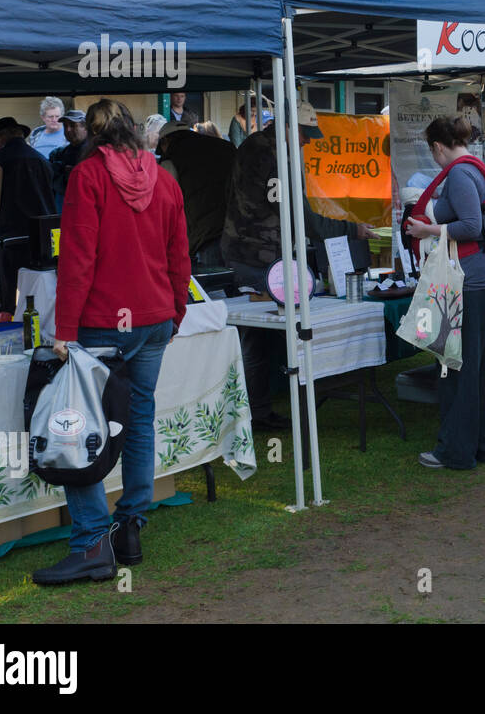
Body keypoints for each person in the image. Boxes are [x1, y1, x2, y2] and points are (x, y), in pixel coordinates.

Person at [35, 99, 189, 585]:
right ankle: (129, 528)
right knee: (139, 419)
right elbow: (179, 254)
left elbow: (77, 258)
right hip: (153, 317)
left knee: (76, 427)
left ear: (93, 136)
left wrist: (64, 329)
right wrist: (176, 310)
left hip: (105, 321)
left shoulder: (89, 177)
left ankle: (92, 544)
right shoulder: (164, 179)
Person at [404, 116, 485, 465]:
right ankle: (481, 445)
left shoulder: (460, 174)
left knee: (456, 366)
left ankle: (455, 451)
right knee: (476, 368)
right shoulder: (477, 167)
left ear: (437, 147)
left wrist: (427, 230)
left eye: (432, 151)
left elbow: (470, 225)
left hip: (470, 278)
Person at [222, 101, 326, 431]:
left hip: (252, 251)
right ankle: (256, 414)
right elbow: (297, 212)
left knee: (259, 341)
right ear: (288, 126)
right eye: (304, 134)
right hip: (254, 256)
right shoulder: (272, 154)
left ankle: (257, 411)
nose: (307, 142)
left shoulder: (259, 146)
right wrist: (348, 229)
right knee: (254, 340)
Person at [0, 116, 56, 313]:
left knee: (11, 302)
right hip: (43, 241)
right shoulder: (42, 160)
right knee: (40, 299)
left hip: (10, 239)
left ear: (2, 138)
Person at [158, 124, 236, 262]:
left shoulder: (171, 159)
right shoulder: (224, 146)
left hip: (205, 234)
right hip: (236, 226)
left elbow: (167, 205)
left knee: (212, 281)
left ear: (165, 141)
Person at [49, 109, 90, 209]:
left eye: (72, 125)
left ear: (85, 127)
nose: (68, 130)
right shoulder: (59, 153)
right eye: (65, 126)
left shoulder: (92, 151)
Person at [27, 95, 68, 160]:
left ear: (62, 116)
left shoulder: (69, 134)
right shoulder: (35, 135)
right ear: (43, 117)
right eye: (50, 117)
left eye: (57, 116)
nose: (54, 120)